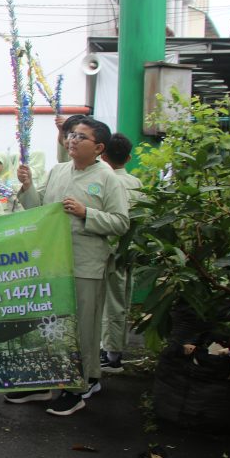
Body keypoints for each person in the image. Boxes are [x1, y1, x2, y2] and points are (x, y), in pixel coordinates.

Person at [11, 118, 129, 416]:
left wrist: (86, 212)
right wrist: (28, 186)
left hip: (86, 264)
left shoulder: (107, 178)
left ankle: (75, 390)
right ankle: (42, 382)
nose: (72, 140)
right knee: (47, 324)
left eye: (81, 137)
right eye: (71, 135)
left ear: (98, 148)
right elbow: (39, 209)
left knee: (81, 328)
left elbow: (120, 222)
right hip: (52, 262)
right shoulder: (58, 171)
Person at [99, 132, 143, 374]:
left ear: (102, 155)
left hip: (110, 249)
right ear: (128, 158)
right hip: (130, 249)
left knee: (111, 302)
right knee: (122, 299)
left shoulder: (108, 182)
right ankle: (113, 350)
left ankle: (111, 355)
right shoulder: (135, 183)